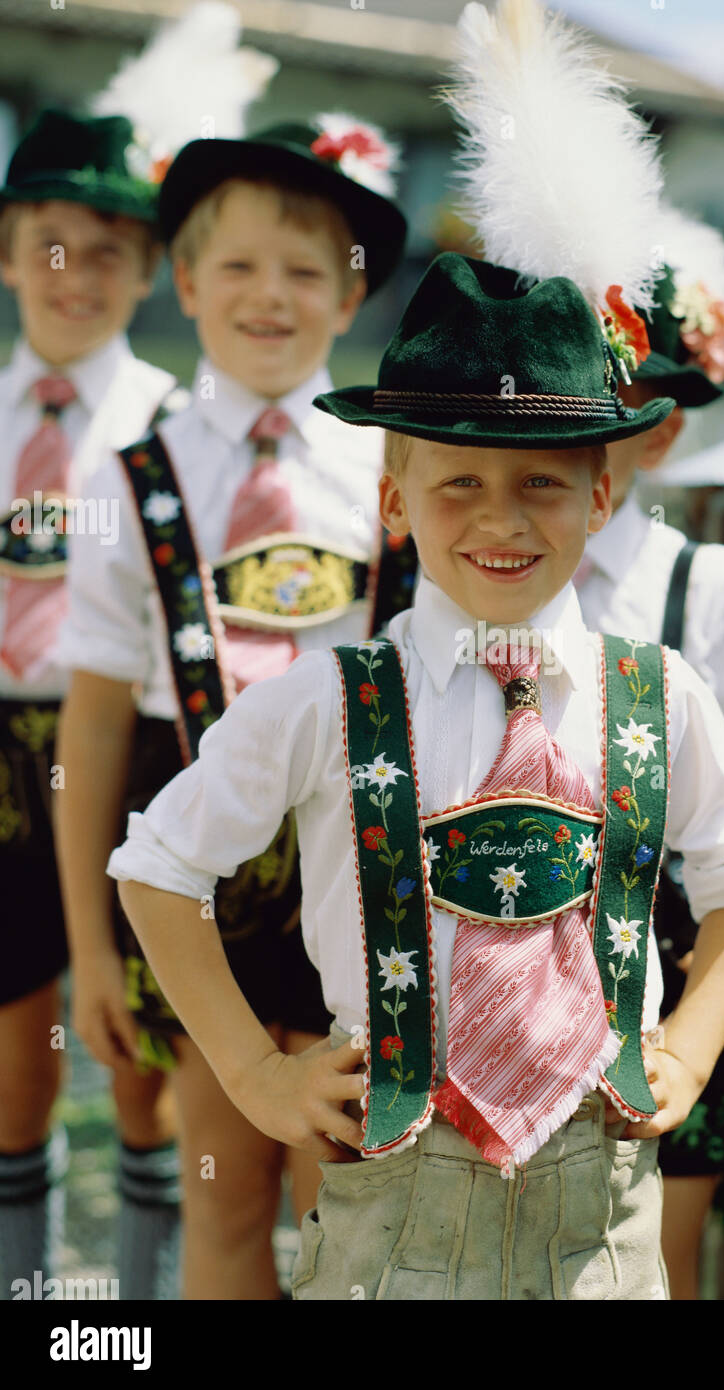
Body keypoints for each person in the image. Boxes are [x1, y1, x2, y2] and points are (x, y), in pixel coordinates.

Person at [107, 246, 724, 1300]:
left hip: (599, 1213)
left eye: (542, 484)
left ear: (601, 496)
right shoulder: (327, 697)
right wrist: (253, 1071)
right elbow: (157, 865)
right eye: (458, 480)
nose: (501, 518)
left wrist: (691, 1050)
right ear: (392, 499)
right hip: (394, 1215)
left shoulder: (659, 695)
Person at [54, 111, 407, 1299]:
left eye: (306, 270)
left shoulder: (392, 473)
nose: (272, 294)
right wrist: (90, 943)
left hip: (360, 862)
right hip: (197, 873)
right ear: (188, 282)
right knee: (228, 1191)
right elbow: (94, 721)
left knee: (349, 1200)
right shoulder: (133, 477)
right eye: (240, 266)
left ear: (349, 297)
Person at [575, 205, 724, 1297]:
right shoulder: (458, 564)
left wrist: (701, 1006)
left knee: (648, 1266)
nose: (575, 416)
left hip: (659, 982)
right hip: (499, 976)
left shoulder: (707, 588)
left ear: (665, 428)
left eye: (613, 398)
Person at [0, 106, 180, 1302]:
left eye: (111, 249)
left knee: (140, 1040)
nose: (78, 275)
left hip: (132, 745)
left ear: (153, 268)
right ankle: (25, 1289)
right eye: (52, 244)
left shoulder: (171, 418)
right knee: (14, 1037)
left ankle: (145, 1303)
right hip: (0, 745)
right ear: (10, 253)